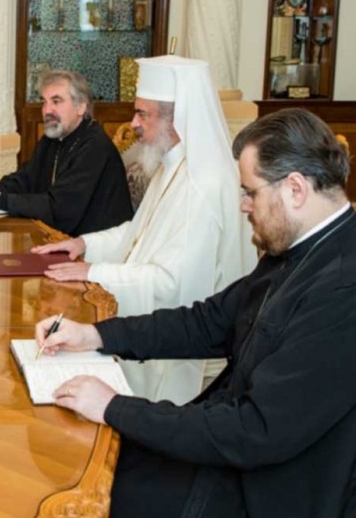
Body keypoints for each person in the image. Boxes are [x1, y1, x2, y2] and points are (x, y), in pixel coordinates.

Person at [37, 109, 356, 517]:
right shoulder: (304, 247)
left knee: (83, 491)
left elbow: (257, 431)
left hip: (280, 491)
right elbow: (207, 322)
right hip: (242, 456)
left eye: (251, 192)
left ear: (295, 189)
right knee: (85, 454)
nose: (243, 206)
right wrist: (96, 335)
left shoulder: (352, 298)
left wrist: (115, 406)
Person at [32, 56, 256, 404]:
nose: (134, 124)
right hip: (154, 328)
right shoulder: (173, 164)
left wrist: (94, 272)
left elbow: (172, 284)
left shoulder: (204, 184)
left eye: (142, 114)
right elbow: (138, 234)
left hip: (191, 359)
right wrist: (84, 244)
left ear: (176, 119)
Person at [0, 70, 134, 237]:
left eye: (56, 101)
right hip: (56, 236)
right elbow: (26, 179)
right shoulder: (54, 137)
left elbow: (60, 209)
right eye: (44, 102)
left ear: (81, 107)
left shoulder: (94, 147)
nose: (47, 110)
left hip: (94, 245)